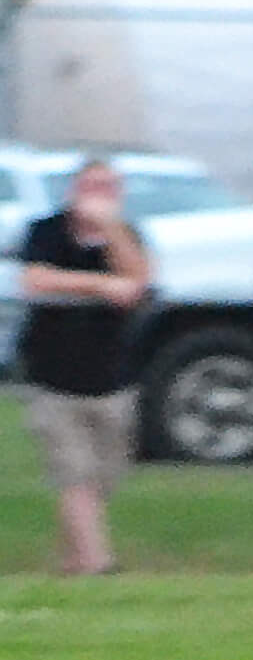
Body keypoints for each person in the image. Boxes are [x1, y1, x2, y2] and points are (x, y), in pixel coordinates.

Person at [15, 159, 152, 575]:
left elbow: (138, 281)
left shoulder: (126, 236)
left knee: (101, 482)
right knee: (75, 475)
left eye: (108, 187)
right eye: (91, 186)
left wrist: (110, 230)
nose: (98, 195)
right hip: (53, 378)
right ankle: (98, 565)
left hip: (112, 378)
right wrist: (101, 285)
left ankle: (72, 563)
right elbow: (35, 279)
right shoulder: (47, 231)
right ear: (74, 190)